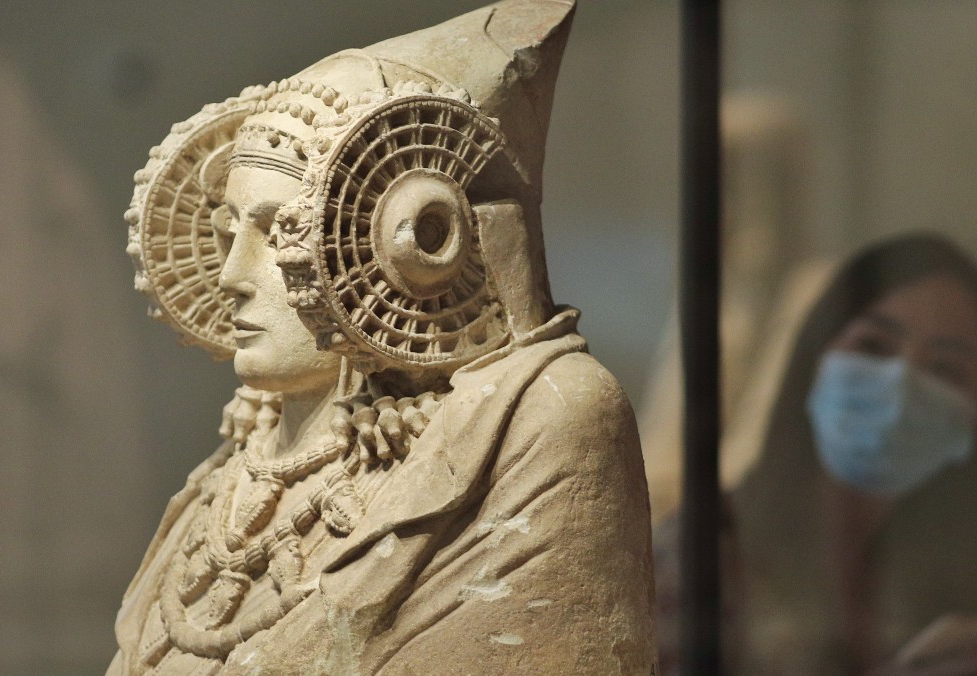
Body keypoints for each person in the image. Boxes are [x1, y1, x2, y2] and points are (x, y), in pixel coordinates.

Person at [110, 2, 656, 673]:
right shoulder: (249, 453)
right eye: (230, 237)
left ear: (407, 245)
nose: (232, 277)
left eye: (279, 232)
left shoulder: (542, 417)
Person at [653, 233, 977, 674]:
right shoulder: (698, 556)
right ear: (814, 359)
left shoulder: (951, 573)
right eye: (873, 347)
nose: (901, 385)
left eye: (946, 368)